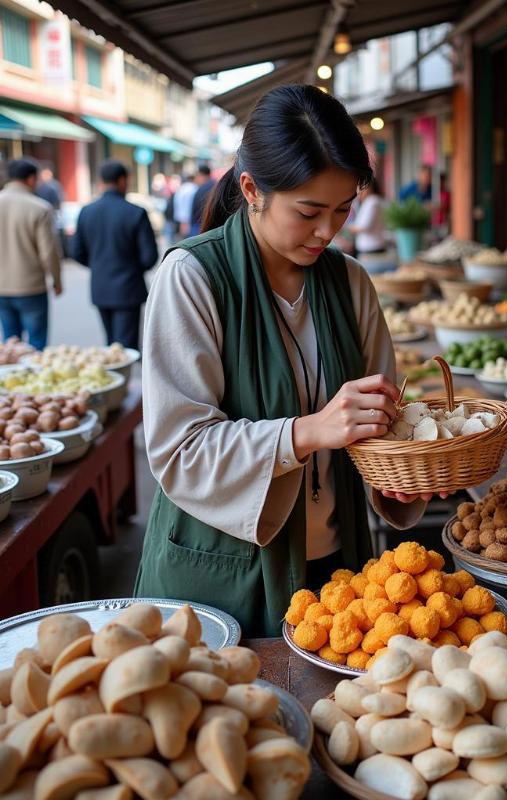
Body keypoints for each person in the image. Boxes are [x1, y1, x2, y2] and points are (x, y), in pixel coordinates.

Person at [133, 85, 446, 637]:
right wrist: (307, 432)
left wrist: (401, 476)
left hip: (337, 564)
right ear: (251, 189)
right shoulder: (192, 278)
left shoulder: (349, 283)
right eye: (309, 212)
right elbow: (179, 450)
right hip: (223, 564)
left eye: (343, 210)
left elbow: (383, 425)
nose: (328, 231)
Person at [70, 160, 158, 349]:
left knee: (110, 343)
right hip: (128, 287)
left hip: (100, 286)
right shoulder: (135, 212)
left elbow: (76, 251)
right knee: (126, 347)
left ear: (101, 181)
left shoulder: (86, 212)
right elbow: (149, 256)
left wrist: (97, 263)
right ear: (122, 181)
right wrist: (132, 267)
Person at [0, 158, 62, 349]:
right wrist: (57, 280)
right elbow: (48, 252)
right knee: (36, 344)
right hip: (31, 286)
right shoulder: (39, 207)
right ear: (31, 179)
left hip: (2, 286)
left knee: (10, 344)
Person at [347, 177, 386, 259]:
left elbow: (364, 226)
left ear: (370, 187)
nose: (360, 192)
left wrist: (349, 228)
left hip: (371, 248)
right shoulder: (376, 201)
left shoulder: (372, 201)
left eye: (362, 188)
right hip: (374, 247)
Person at [189, 165, 216, 236]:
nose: (196, 179)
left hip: (201, 226)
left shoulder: (203, 188)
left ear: (201, 175)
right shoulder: (216, 185)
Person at [172, 172, 197, 237]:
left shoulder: (181, 188)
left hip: (182, 214)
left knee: (183, 234)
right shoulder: (194, 187)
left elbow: (177, 202)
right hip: (189, 214)